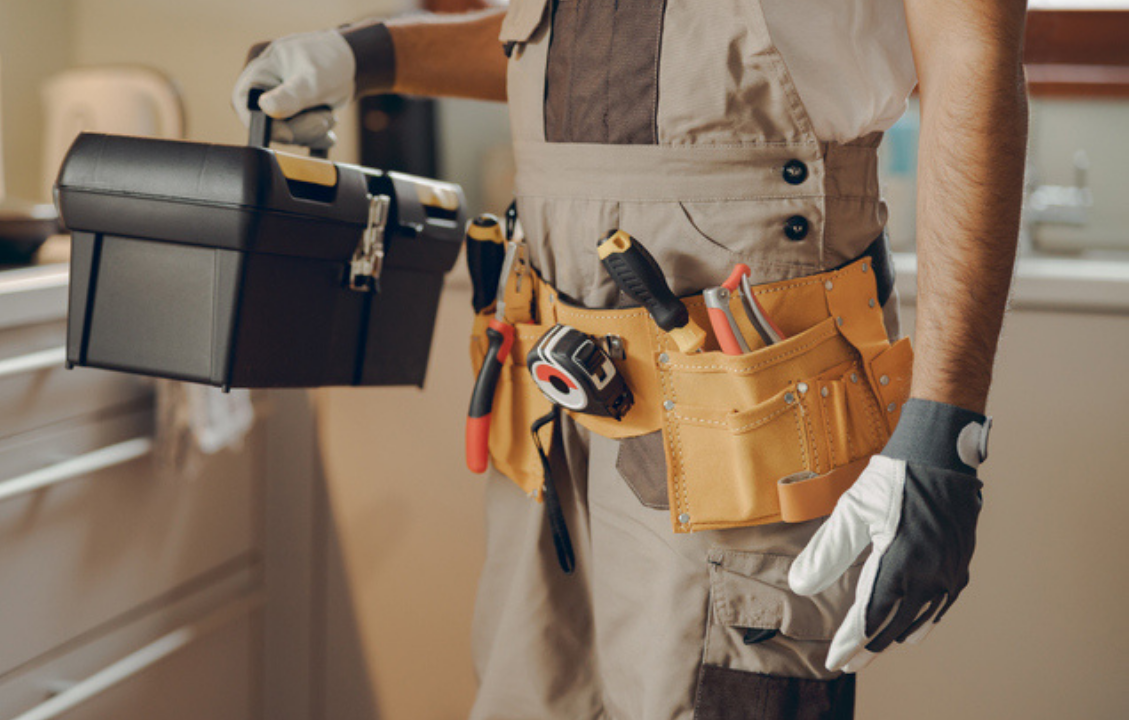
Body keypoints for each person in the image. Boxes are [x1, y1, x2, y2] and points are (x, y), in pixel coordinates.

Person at [233, 1, 1027, 717]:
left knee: (716, 694)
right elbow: (570, 47)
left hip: (739, 418)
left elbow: (973, 51)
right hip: (549, 415)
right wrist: (364, 55)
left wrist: (942, 432)